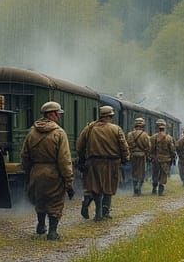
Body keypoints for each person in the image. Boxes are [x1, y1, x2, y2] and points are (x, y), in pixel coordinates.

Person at [20, 101, 75, 240]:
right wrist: (68, 180)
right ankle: (52, 232)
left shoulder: (32, 132)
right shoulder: (59, 133)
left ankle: (40, 225)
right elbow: (64, 159)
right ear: (53, 114)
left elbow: (25, 155)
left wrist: (29, 172)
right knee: (55, 201)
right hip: (53, 172)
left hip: (36, 170)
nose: (59, 116)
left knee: (40, 199)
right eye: (58, 114)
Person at [75, 105, 130, 221]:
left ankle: (98, 212)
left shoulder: (89, 128)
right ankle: (105, 211)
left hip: (94, 162)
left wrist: (82, 159)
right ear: (110, 116)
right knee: (109, 187)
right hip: (112, 163)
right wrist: (125, 159)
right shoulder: (116, 129)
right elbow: (123, 146)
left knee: (96, 187)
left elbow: (79, 146)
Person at [149, 119, 176, 196]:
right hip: (165, 160)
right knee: (163, 174)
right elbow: (172, 149)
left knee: (155, 173)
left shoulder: (153, 137)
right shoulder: (169, 138)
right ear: (164, 127)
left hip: (156, 159)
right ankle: (160, 191)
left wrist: (151, 156)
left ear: (157, 127)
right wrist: (173, 157)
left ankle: (154, 188)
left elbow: (151, 149)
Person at [126, 117, 151, 196]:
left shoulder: (130, 134)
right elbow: (148, 147)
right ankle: (139, 188)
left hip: (133, 156)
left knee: (134, 172)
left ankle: (134, 191)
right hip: (142, 156)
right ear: (143, 125)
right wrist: (147, 154)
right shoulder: (145, 135)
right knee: (142, 173)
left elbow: (127, 145)